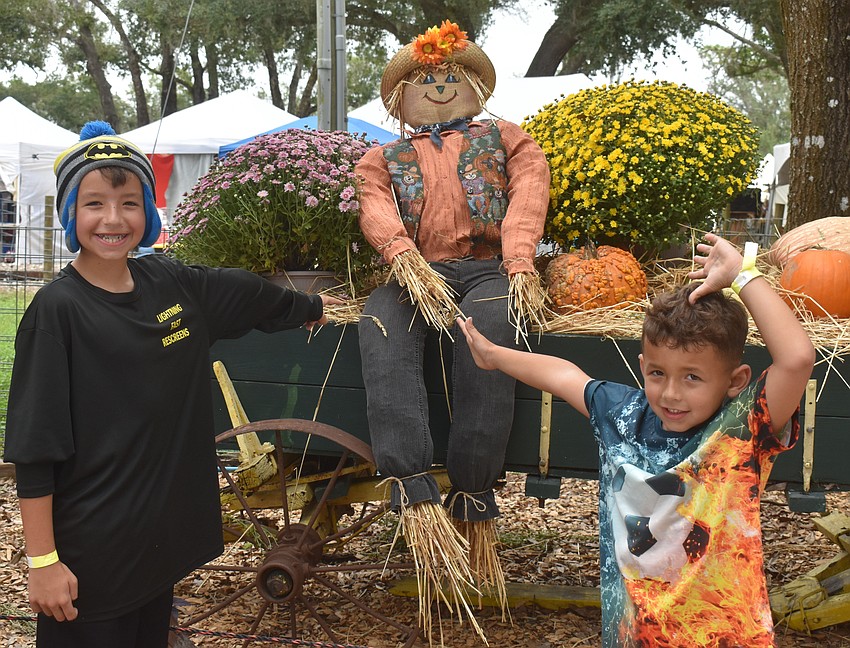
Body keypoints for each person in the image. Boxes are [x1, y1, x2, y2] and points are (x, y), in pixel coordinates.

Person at [2, 121, 339, 648]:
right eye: (94, 204)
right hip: (93, 557)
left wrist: (311, 307)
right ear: (70, 214)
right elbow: (35, 449)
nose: (113, 219)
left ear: (149, 212)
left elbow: (250, 295)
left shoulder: (173, 283)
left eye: (129, 202)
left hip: (159, 548)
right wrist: (44, 561)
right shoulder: (58, 312)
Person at [457, 233, 815, 647]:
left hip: (725, 635)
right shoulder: (622, 415)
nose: (671, 393)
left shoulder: (741, 429)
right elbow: (565, 376)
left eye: (692, 377)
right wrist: (493, 356)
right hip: (636, 635)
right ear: (642, 366)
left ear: (735, 381)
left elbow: (797, 358)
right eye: (658, 373)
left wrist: (742, 276)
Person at [354, 19, 550, 629]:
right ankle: (413, 490)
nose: (438, 88)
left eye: (448, 78)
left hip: (487, 269)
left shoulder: (508, 139)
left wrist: (519, 260)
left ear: (474, 88)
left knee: (492, 331)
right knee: (380, 323)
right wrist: (404, 258)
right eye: (425, 81)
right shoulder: (382, 157)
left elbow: (529, 192)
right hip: (415, 273)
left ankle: (472, 492)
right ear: (400, 101)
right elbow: (375, 208)